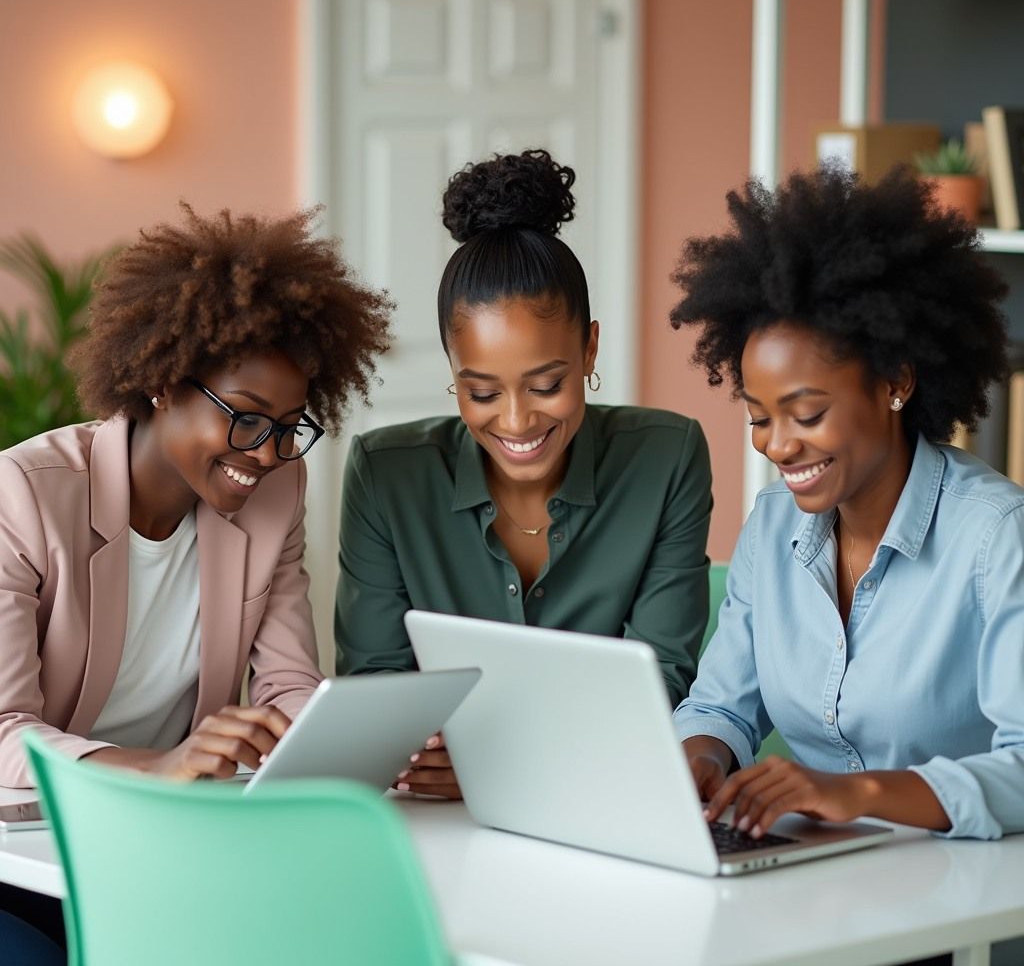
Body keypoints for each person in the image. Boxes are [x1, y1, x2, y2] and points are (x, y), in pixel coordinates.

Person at [0, 205, 391, 952]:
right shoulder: (23, 495)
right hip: (24, 860)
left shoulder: (276, 495)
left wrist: (352, 739)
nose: (268, 453)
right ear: (161, 383)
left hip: (166, 848)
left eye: (289, 426)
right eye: (245, 417)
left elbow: (287, 685)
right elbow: (2, 734)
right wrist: (158, 766)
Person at [335, 149, 712, 798]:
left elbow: (661, 681)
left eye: (546, 385)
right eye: (480, 392)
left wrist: (495, 762)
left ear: (590, 348)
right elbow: (376, 686)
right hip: (433, 816)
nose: (515, 421)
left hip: (594, 800)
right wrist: (432, 757)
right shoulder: (384, 475)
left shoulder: (667, 457)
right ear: (452, 373)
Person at [669, 165, 1024, 848]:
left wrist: (853, 793)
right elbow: (718, 705)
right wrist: (701, 760)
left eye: (806, 413)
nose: (777, 445)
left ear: (895, 382)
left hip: (952, 896)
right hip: (812, 878)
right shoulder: (774, 528)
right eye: (758, 417)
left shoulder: (995, 538)